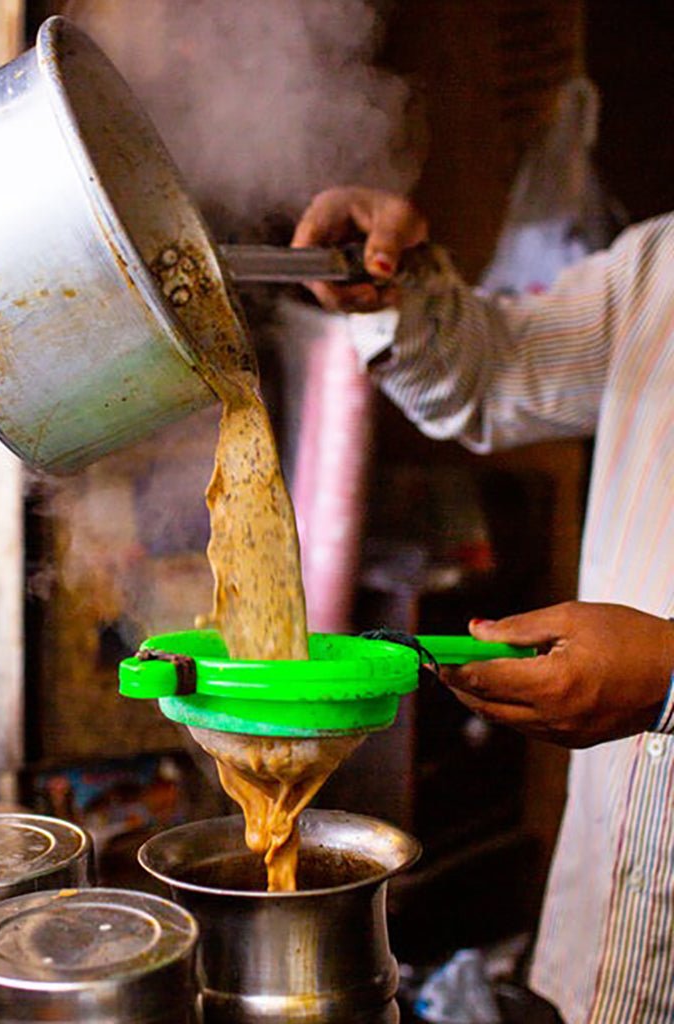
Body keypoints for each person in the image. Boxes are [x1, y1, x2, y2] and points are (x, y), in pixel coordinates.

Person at [293, 186, 674, 1024]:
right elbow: (495, 374)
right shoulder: (660, 265)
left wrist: (670, 676)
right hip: (612, 934)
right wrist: (392, 287)